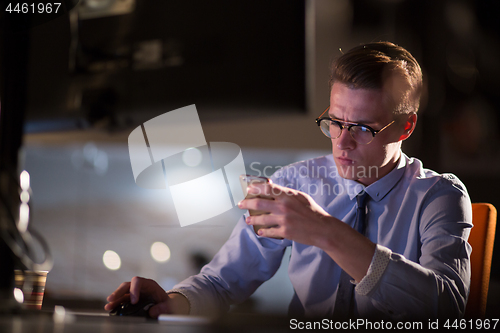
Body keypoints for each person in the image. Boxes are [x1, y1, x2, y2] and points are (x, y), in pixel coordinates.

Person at [105, 41, 472, 320]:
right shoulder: (296, 181)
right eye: (335, 122)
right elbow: (222, 281)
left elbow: (447, 308)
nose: (341, 142)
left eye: (363, 128)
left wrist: (325, 231)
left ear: (406, 126)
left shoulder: (439, 195)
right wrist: (171, 303)